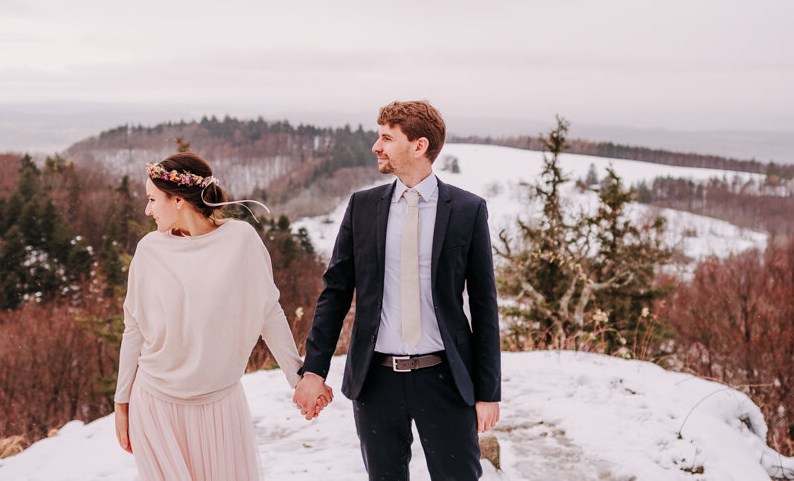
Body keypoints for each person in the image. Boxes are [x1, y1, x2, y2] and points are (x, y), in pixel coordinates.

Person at [293, 100, 502, 480]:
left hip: (445, 379)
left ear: (419, 146)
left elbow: (485, 305)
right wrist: (314, 370)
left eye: (387, 138)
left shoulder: (468, 210)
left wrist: (488, 392)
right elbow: (335, 293)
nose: (377, 146)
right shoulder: (362, 207)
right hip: (377, 381)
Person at [113, 152, 332, 480]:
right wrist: (121, 404)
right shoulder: (149, 250)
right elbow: (134, 328)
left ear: (178, 201)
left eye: (152, 199)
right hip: (155, 404)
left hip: (219, 407)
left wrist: (297, 378)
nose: (147, 209)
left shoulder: (240, 240)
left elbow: (268, 311)